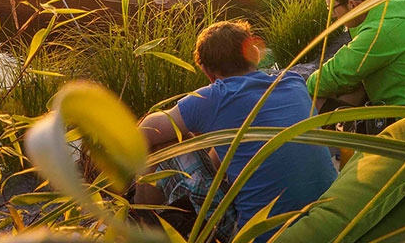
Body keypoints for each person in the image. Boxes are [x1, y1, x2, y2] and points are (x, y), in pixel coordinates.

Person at [137, 20, 337, 241]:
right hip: (326, 224)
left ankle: (141, 217)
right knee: (217, 140)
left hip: (260, 236)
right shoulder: (293, 82)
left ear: (206, 70)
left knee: (167, 142)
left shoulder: (214, 97)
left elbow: (145, 131)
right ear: (254, 55)